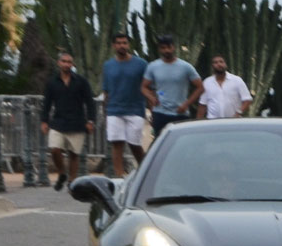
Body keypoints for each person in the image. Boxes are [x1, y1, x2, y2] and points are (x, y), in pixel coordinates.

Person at [40, 51, 95, 190]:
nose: (66, 64)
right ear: (59, 63)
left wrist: (91, 121)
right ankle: (62, 172)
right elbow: (47, 103)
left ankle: (72, 181)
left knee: (74, 154)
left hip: (77, 122)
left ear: (73, 64)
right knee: (54, 149)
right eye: (64, 61)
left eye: (69, 62)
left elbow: (90, 102)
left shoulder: (81, 82)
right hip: (58, 122)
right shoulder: (52, 82)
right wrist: (44, 121)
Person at [101, 33, 149, 172]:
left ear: (128, 45)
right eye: (119, 43)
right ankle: (119, 176)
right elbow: (106, 90)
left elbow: (148, 87)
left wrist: (151, 108)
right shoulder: (108, 65)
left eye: (125, 43)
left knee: (134, 143)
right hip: (114, 110)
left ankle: (145, 171)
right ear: (114, 45)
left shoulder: (141, 64)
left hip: (135, 109)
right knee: (117, 144)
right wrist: (105, 109)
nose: (122, 45)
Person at [142, 35, 201, 139]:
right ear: (159, 49)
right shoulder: (153, 66)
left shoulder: (185, 67)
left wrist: (186, 104)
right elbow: (144, 87)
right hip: (160, 112)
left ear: (173, 47)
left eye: (169, 47)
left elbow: (200, 87)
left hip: (180, 112)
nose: (167, 50)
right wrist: (151, 98)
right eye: (163, 48)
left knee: (181, 143)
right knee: (160, 142)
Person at [198, 55, 251, 120]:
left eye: (221, 62)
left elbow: (247, 100)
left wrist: (238, 113)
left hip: (233, 121)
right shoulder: (207, 82)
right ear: (212, 66)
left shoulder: (237, 80)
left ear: (225, 64)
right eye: (215, 62)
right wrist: (198, 121)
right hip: (212, 121)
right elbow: (203, 104)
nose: (219, 64)